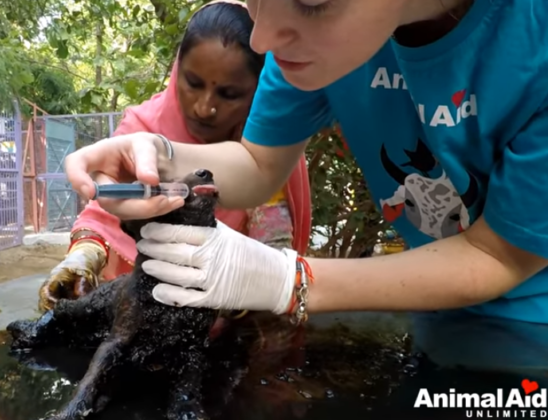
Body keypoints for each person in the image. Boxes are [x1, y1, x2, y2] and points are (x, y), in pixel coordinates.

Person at [62, 0, 548, 374]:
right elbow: (257, 163)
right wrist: (163, 155)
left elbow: (499, 255)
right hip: (435, 310)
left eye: (313, 0)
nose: (263, 38)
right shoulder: (297, 31)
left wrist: (288, 280)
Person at [38, 0, 312, 311]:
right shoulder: (141, 130)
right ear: (177, 70)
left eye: (229, 94)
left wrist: (253, 296)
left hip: (232, 314)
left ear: (258, 92)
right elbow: (103, 215)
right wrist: (83, 255)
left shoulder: (274, 152)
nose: (204, 107)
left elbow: (273, 254)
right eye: (193, 83)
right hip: (137, 307)